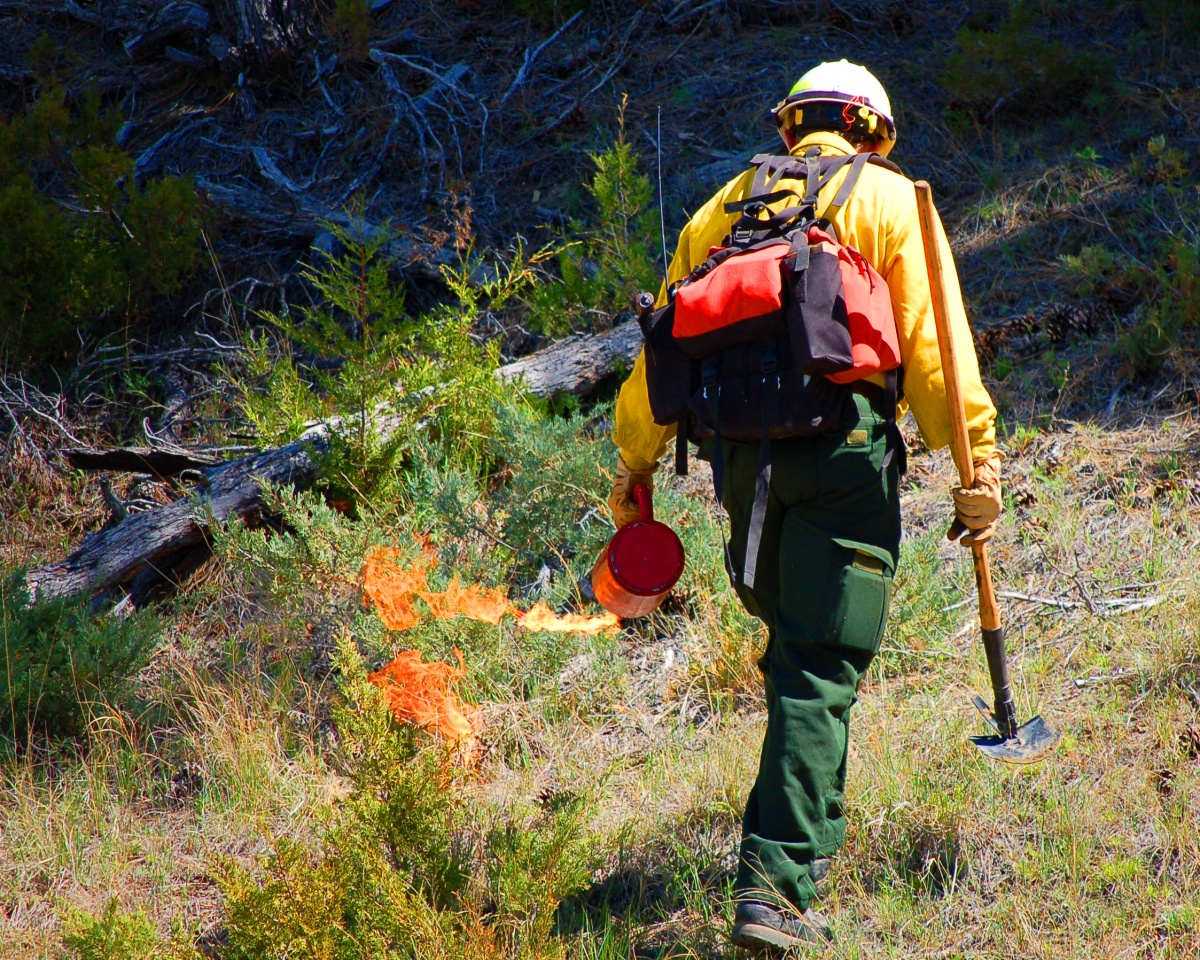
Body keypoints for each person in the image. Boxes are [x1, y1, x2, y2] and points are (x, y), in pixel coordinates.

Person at [606, 60, 1003, 951]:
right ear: (871, 128)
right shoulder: (893, 200)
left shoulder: (721, 211)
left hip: (741, 473)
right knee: (819, 670)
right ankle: (776, 892)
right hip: (841, 461)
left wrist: (633, 468)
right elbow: (935, 348)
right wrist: (978, 466)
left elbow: (658, 354)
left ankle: (803, 850)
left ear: (794, 126)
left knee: (800, 659)